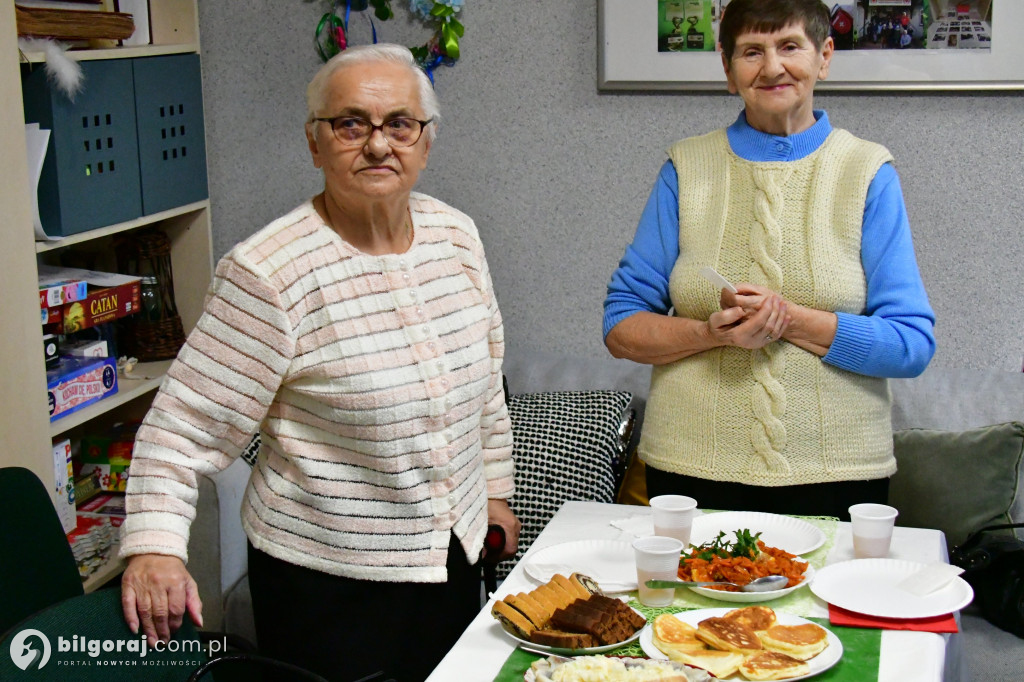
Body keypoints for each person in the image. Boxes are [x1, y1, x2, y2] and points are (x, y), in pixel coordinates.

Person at [118, 43, 521, 682]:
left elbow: (484, 390)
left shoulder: (457, 236)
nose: (379, 144)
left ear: (426, 141)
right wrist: (154, 548)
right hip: (328, 585)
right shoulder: (268, 273)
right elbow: (181, 426)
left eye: (400, 124)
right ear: (315, 144)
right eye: (351, 123)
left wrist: (495, 493)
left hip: (449, 562)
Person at [603, 0, 935, 520]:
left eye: (789, 47)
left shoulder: (867, 171)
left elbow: (911, 344)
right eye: (751, 51)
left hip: (838, 474)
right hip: (691, 470)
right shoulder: (685, 169)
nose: (773, 66)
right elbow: (621, 327)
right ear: (728, 69)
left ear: (824, 57)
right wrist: (712, 334)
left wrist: (792, 320)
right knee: (688, 605)